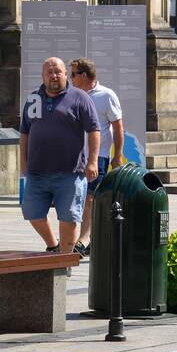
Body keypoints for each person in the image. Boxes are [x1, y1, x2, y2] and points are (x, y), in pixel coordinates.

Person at [20, 57, 101, 255]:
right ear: (43, 76)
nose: (54, 76)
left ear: (66, 74)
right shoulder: (33, 99)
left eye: (58, 72)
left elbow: (94, 130)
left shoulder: (80, 97)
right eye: (49, 72)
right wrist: (23, 163)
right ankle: (53, 245)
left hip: (70, 173)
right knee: (32, 212)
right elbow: (25, 133)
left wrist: (92, 161)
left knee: (69, 218)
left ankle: (65, 260)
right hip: (37, 172)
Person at [69, 57, 124, 259]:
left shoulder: (106, 95)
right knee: (77, 198)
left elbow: (118, 127)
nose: (70, 78)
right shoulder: (71, 95)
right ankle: (88, 239)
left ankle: (83, 240)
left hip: (97, 156)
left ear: (84, 75)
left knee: (90, 198)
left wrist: (117, 155)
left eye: (73, 74)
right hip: (74, 156)